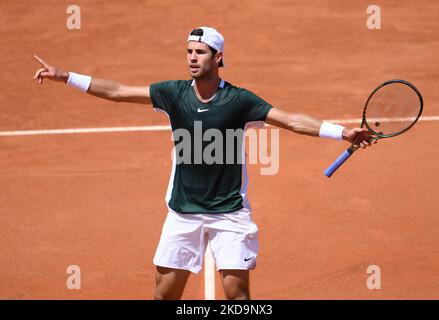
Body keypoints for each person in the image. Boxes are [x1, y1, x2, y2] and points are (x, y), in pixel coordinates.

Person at [33, 26, 375, 300]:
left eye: (200, 52)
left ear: (218, 56)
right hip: (183, 211)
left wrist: (341, 132)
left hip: (230, 213)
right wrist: (67, 77)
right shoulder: (173, 93)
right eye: (189, 52)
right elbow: (119, 91)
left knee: (237, 296)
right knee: (164, 295)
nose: (192, 58)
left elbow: (291, 120)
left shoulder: (239, 100)